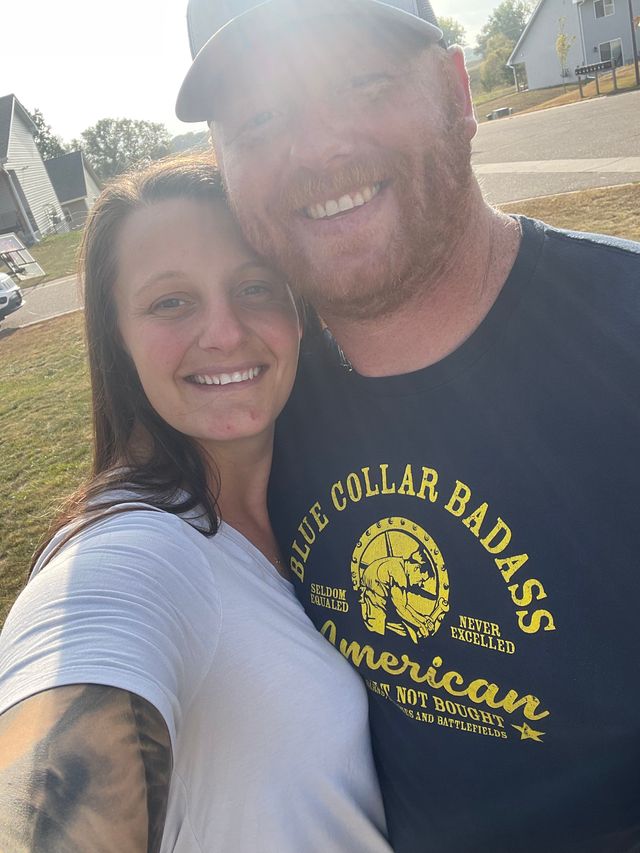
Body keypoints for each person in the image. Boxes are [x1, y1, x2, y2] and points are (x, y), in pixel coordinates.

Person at [175, 0, 640, 850]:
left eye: (361, 83)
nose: (316, 148)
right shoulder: (249, 406)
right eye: (260, 120)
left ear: (458, 92)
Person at [0, 155, 392, 853]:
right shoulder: (132, 554)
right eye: (171, 302)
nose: (225, 332)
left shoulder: (331, 494)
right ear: (118, 339)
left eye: (255, 286)